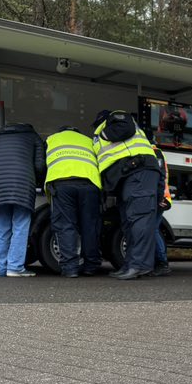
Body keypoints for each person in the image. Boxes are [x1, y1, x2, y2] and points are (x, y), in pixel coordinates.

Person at [92, 110, 162, 280]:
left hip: (137, 169)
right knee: (129, 222)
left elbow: (126, 126)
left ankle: (137, 265)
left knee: (138, 219)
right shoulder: (102, 131)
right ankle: (134, 264)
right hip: (127, 175)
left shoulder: (114, 118)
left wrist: (105, 132)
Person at [44, 126, 102, 277]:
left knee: (66, 226)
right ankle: (91, 267)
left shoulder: (52, 139)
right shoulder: (89, 141)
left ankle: (70, 269)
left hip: (63, 183)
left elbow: (42, 164)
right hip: (90, 184)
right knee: (90, 226)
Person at [0, 123, 45, 277]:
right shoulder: (33, 136)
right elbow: (40, 165)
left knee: (2, 228)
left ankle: (2, 268)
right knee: (20, 225)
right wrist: (39, 182)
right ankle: (15, 267)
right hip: (21, 181)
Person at [150, 137, 172, 277]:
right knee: (153, 229)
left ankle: (162, 263)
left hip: (160, 198)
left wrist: (160, 197)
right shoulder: (156, 152)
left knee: (153, 230)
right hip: (159, 197)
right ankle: (159, 262)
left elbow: (160, 177)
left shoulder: (155, 152)